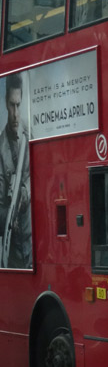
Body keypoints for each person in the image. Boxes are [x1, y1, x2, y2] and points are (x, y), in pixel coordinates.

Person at [0, 73, 32, 269]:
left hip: (33, 244)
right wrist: (9, 216)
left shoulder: (30, 136)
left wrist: (25, 192)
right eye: (12, 105)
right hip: (13, 254)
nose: (15, 113)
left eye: (18, 105)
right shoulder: (0, 148)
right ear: (6, 103)